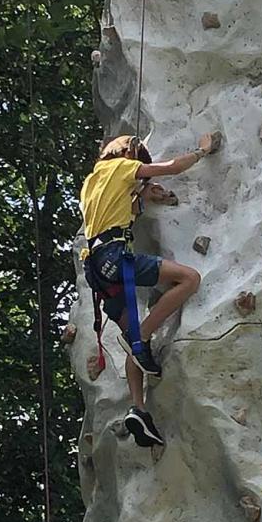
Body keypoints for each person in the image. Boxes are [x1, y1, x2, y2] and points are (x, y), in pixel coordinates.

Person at [80, 132, 219, 447]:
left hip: (98, 272)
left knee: (135, 348)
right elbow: (170, 167)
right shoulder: (121, 167)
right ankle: (142, 336)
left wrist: (142, 196)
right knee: (189, 279)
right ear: (129, 155)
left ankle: (138, 409)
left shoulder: (91, 183)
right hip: (115, 258)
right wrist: (202, 152)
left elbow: (118, 207)